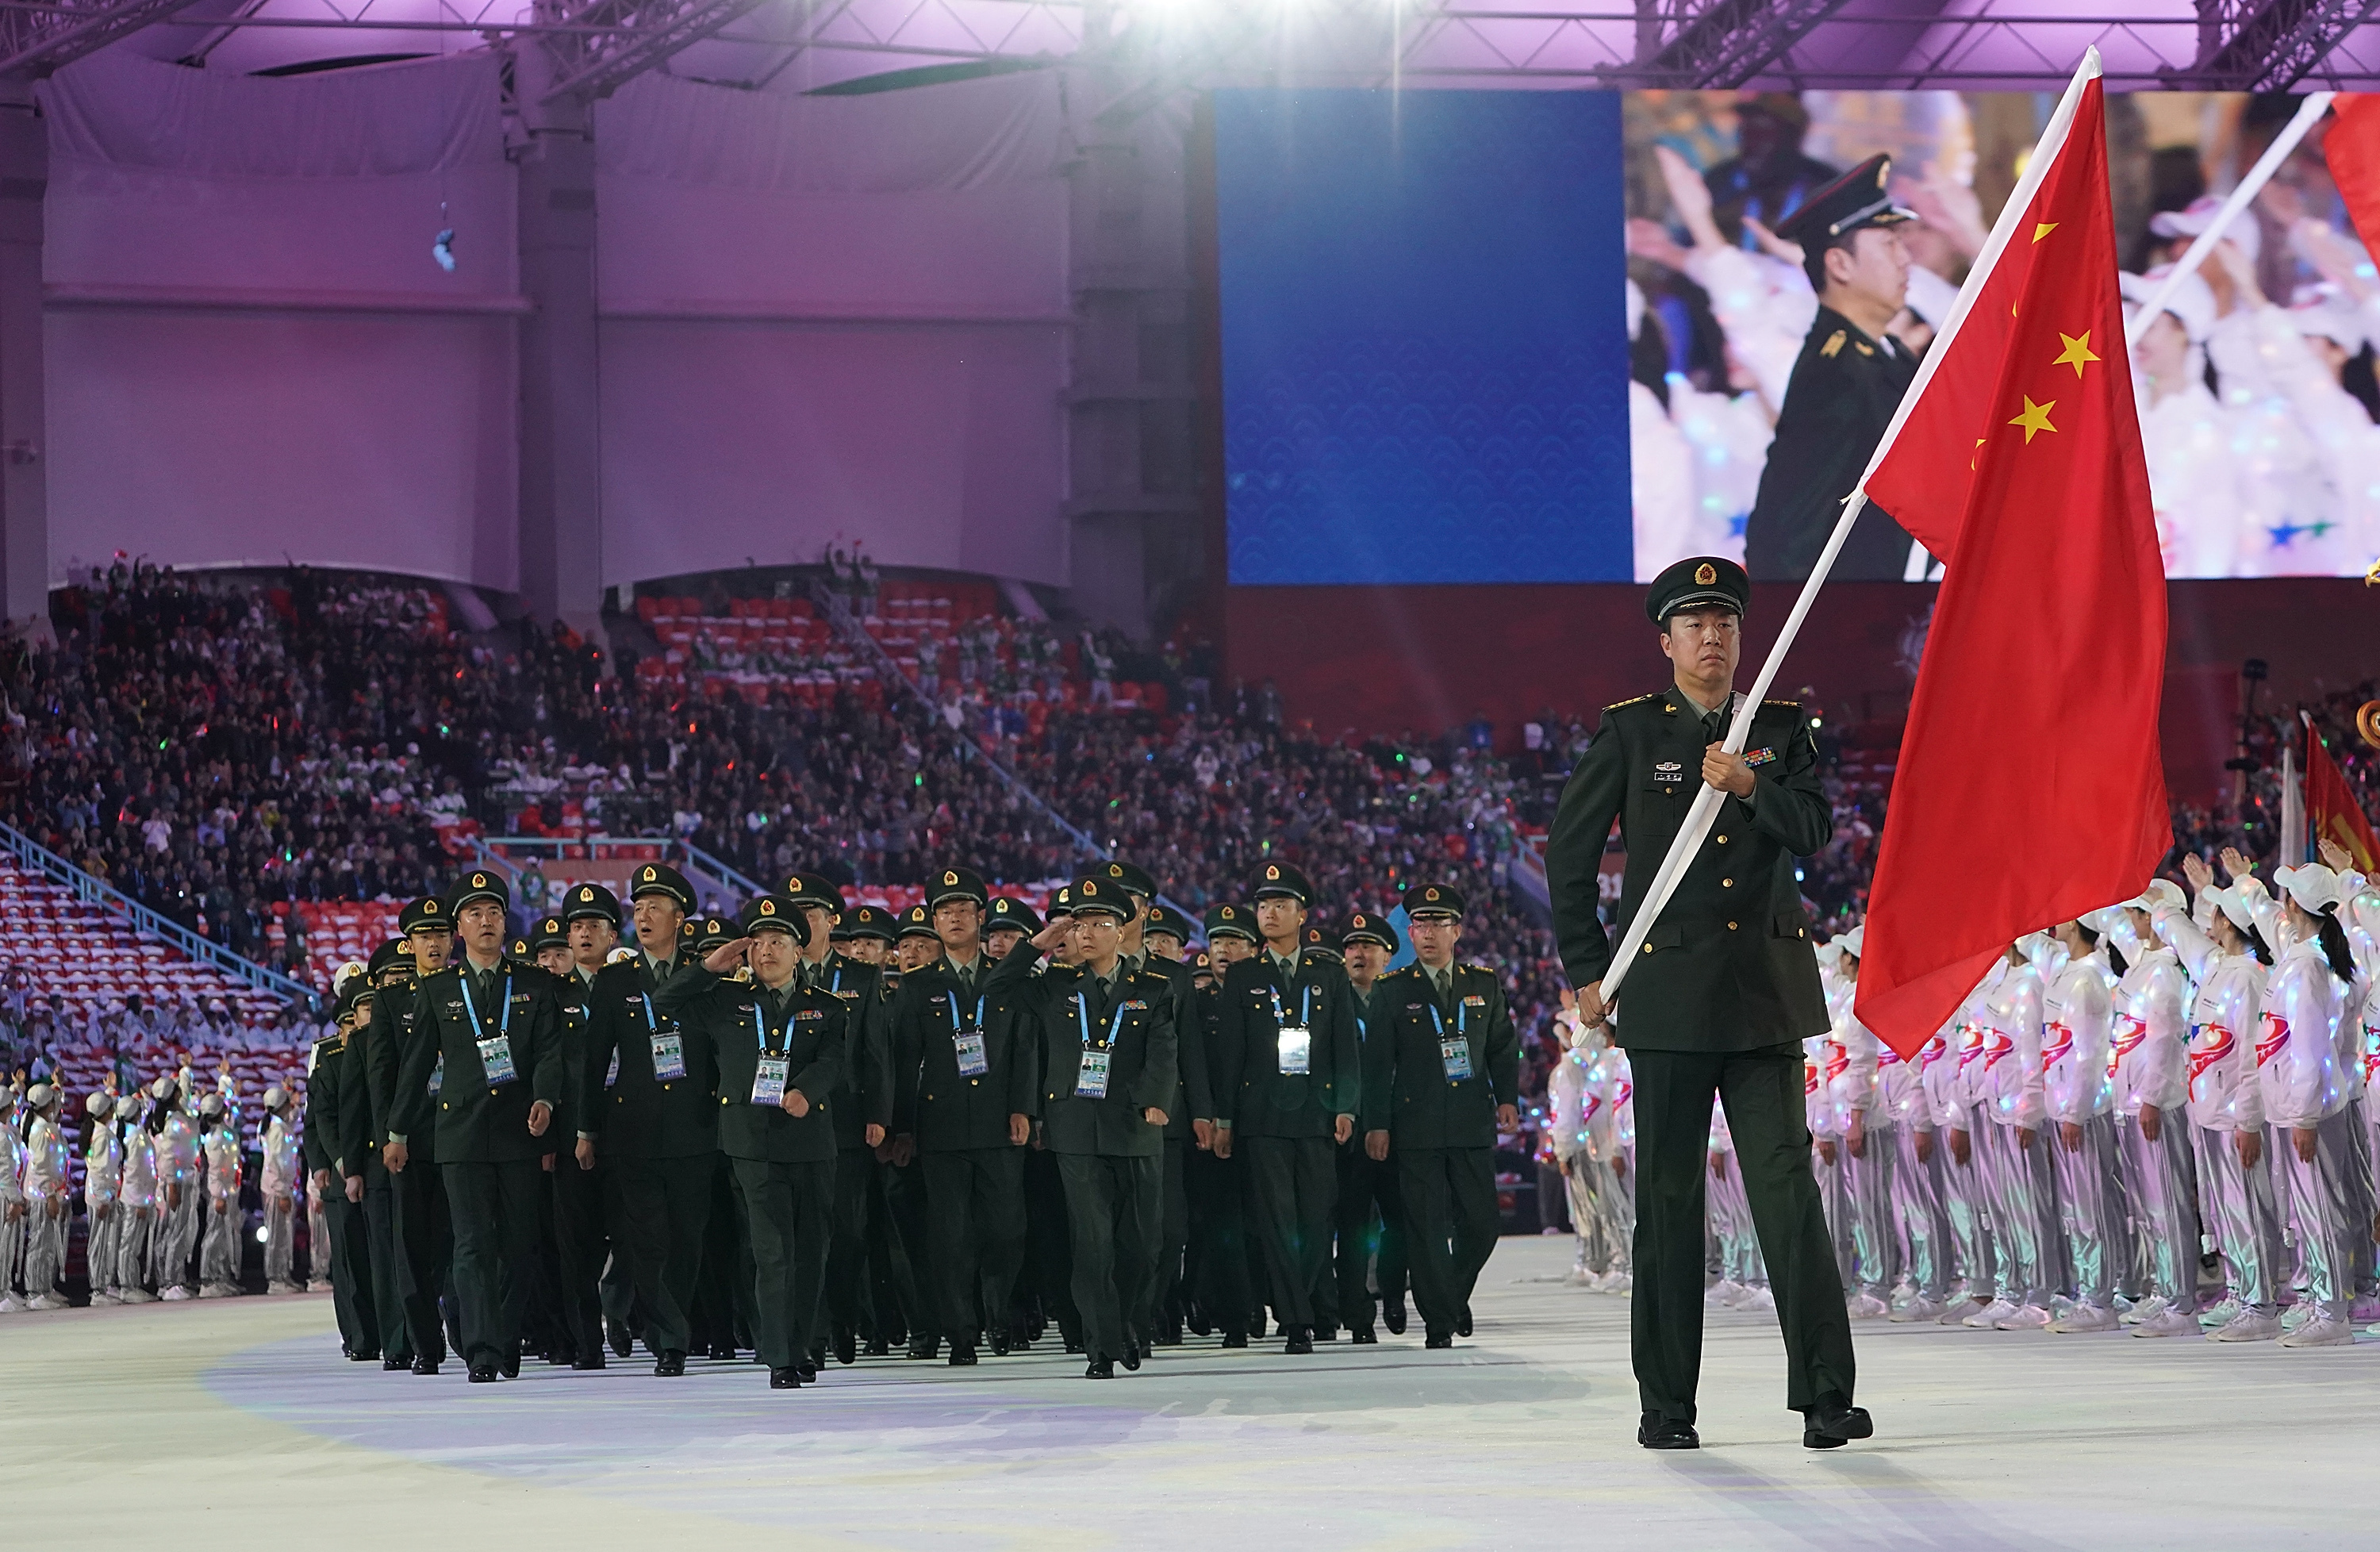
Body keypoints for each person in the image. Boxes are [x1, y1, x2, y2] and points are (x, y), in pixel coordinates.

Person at [1544, 554, 1862, 1452]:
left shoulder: (1781, 728)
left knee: (1788, 1198)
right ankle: (1666, 1406)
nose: (1712, 636)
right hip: (1671, 1002)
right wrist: (1586, 970)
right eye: (1695, 624)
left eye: (1724, 622)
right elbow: (1567, 858)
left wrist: (1752, 786)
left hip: (1764, 999)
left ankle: (1827, 1397)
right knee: (1672, 1207)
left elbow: (1815, 829)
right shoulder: (1633, 734)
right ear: (1667, 640)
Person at [654, 895, 850, 1389]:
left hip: (810, 1140)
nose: (767, 951)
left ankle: (803, 1345)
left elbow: (834, 1060)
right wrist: (708, 965)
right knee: (771, 1251)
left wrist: (806, 1089)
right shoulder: (726, 1001)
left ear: (797, 951)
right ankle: (780, 1355)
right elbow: (663, 1002)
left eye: (778, 942)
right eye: (759, 942)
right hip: (751, 1141)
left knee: (811, 1249)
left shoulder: (825, 1008)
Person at [990, 876, 1178, 1378]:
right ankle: (1102, 1345)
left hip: (1136, 1128)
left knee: (1141, 1245)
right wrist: (1039, 942)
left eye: (1101, 924)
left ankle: (1133, 1323)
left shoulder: (1153, 990)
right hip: (1074, 1129)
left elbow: (1164, 1051)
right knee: (1091, 1243)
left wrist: (1156, 1102)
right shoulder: (1054, 985)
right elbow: (997, 987)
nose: (1089, 933)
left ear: (1123, 932)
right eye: (1080, 925)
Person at [388, 870, 568, 1383]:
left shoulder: (533, 983)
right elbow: (417, 1065)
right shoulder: (441, 988)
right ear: (459, 928)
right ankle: (482, 1350)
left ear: (505, 923)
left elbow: (551, 1052)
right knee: (471, 1244)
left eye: (493, 913)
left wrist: (547, 1099)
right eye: (474, 914)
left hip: (520, 1131)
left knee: (518, 1245)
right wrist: (397, 1133)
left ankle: (505, 1338)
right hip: (461, 1133)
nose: (486, 922)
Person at [1742, 156, 1922, 582]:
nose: (1905, 259)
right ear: (1840, 265)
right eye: (1888, 244)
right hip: (1850, 619)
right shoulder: (1834, 374)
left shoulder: (1886, 356)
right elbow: (1785, 531)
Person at [1211, 862, 1361, 1355]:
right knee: (1276, 1220)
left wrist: (1347, 1107)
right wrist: (1225, 1119)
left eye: (1280, 906)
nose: (1269, 914)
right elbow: (1231, 1054)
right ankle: (1296, 1317)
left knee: (1317, 1219)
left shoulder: (1328, 973)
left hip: (1317, 1112)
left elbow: (1345, 1048)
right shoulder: (1244, 976)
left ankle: (1303, 1300)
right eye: (1263, 906)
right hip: (1262, 1115)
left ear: (1302, 914)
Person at [1361, 884, 1518, 1348]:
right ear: (1411, 932)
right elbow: (1376, 1065)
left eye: (1438, 924)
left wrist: (1507, 1097)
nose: (1428, 933)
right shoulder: (1393, 989)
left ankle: (1448, 1296)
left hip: (1471, 1120)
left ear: (1458, 931)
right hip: (1416, 1123)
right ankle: (1438, 1321)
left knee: (1482, 1223)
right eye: (1420, 924)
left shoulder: (1483, 984)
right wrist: (1377, 1123)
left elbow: (1503, 1049)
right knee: (1425, 1226)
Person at [890, 872, 1033, 1367]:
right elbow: (905, 1061)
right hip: (942, 1126)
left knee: (1007, 1230)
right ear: (934, 923)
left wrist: (1023, 1107)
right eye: (945, 911)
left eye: (964, 910)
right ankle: (961, 1332)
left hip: (999, 1123)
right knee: (949, 1236)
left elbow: (1023, 1049)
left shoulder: (1006, 978)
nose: (954, 918)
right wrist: (903, 1127)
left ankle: (996, 1306)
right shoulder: (916, 987)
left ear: (980, 918)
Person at [585, 863, 716, 1377]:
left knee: (686, 1238)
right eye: (638, 909)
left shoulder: (703, 976)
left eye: (655, 908)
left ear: (679, 917)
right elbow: (595, 1062)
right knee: (646, 1238)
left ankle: (666, 1319)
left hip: (695, 1126)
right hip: (633, 1129)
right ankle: (670, 1340)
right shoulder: (616, 980)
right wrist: (586, 1130)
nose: (643, 916)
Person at [2156, 865, 2285, 1342]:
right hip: (2206, 1115)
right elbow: (2184, 936)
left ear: (2229, 925)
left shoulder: (2250, 979)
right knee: (2224, 1209)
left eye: (2214, 913)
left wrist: (2248, 1121)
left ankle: (2261, 1303)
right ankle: (2238, 1289)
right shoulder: (2215, 966)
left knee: (2250, 1208)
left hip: (2235, 1118)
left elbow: (2252, 1056)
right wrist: (2166, 903)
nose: (2206, 918)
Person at [2255, 862, 2362, 1347]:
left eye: (2287, 897)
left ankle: (2333, 1311)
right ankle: (2320, 1300)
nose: (2283, 904)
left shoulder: (2307, 967)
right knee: (2310, 1207)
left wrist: (2304, 1114)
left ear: (2297, 906)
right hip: (2303, 1105)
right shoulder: (2304, 958)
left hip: (2311, 1110)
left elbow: (2311, 1046)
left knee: (2322, 1208)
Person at [363, 903, 458, 1373]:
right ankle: (425, 1343)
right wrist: (388, 1139)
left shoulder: (468, 991)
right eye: (425, 936)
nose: (434, 944)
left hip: (464, 1137)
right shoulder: (392, 1001)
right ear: (412, 943)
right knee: (413, 1247)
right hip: (412, 1142)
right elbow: (381, 1078)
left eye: (441, 934)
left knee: (464, 1241)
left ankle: (462, 1326)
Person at [2109, 883, 2198, 1336]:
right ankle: (2164, 1291)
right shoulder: (2143, 967)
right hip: (2132, 1098)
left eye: (2136, 914)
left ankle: (2181, 1300)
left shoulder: (2163, 973)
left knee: (2168, 1203)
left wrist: (2150, 1097)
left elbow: (2163, 1042)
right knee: (2148, 1206)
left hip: (2156, 1102)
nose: (2130, 921)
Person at [2041, 919, 2129, 1333]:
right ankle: (2089, 1290)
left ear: (2078, 926)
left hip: (2086, 1111)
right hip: (2065, 1106)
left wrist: (2075, 1109)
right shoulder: (2067, 973)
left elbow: (2089, 1053)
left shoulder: (2089, 980)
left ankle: (2101, 1299)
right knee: (2078, 1208)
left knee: (2093, 1205)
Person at [1331, 912, 1407, 1343]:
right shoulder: (1332, 1001)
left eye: (1369, 947)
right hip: (1349, 1134)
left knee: (1398, 1221)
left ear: (1388, 956)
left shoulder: (1398, 1000)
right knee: (1353, 1224)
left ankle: (1394, 1294)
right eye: (1352, 948)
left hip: (1396, 1130)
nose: (1359, 955)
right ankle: (1356, 1311)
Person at [19, 1082, 70, 1308]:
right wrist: (50, 1194)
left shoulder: (47, 1125)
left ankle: (45, 1288)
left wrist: (58, 1086)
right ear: (46, 1105)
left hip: (50, 1194)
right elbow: (39, 1167)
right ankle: (35, 1292)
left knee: (49, 1244)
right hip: (41, 1196)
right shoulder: (40, 1131)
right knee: (39, 1244)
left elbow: (56, 1105)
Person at [196, 1085, 245, 1298]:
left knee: (225, 1236)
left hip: (228, 1190)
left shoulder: (223, 1134)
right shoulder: (216, 1139)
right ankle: (209, 1279)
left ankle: (222, 1276)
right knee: (214, 1235)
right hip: (221, 1193)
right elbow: (215, 1169)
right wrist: (218, 1195)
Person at [259, 1084, 303, 1294]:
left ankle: (283, 1274)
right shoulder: (277, 1130)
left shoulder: (276, 1126)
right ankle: (276, 1278)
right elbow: (275, 1163)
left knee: (284, 1234)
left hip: (281, 1188)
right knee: (277, 1236)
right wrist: (282, 1192)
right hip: (277, 1191)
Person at [83, 1090, 125, 1305]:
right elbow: (100, 1170)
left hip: (104, 1195)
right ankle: (97, 1290)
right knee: (98, 1243)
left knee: (105, 1241)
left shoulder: (103, 1133)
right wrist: (103, 1198)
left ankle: (105, 1286)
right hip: (100, 1196)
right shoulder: (101, 1137)